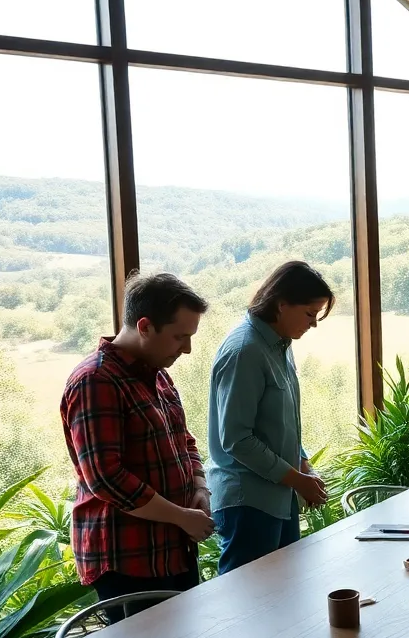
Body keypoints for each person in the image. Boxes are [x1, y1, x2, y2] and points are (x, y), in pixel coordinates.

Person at [61, 272, 215, 618]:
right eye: (179, 337)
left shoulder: (158, 374)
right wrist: (182, 517)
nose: (187, 349)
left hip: (172, 547)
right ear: (144, 326)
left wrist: (200, 487)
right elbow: (106, 478)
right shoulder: (96, 380)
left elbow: (184, 441)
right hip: (127, 559)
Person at [208, 261, 333, 575]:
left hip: (279, 496)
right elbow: (237, 440)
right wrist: (297, 479)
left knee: (285, 598)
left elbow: (282, 423)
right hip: (248, 503)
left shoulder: (280, 345)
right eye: (309, 314)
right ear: (281, 305)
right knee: (248, 608)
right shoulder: (245, 351)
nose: (314, 324)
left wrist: (303, 464)